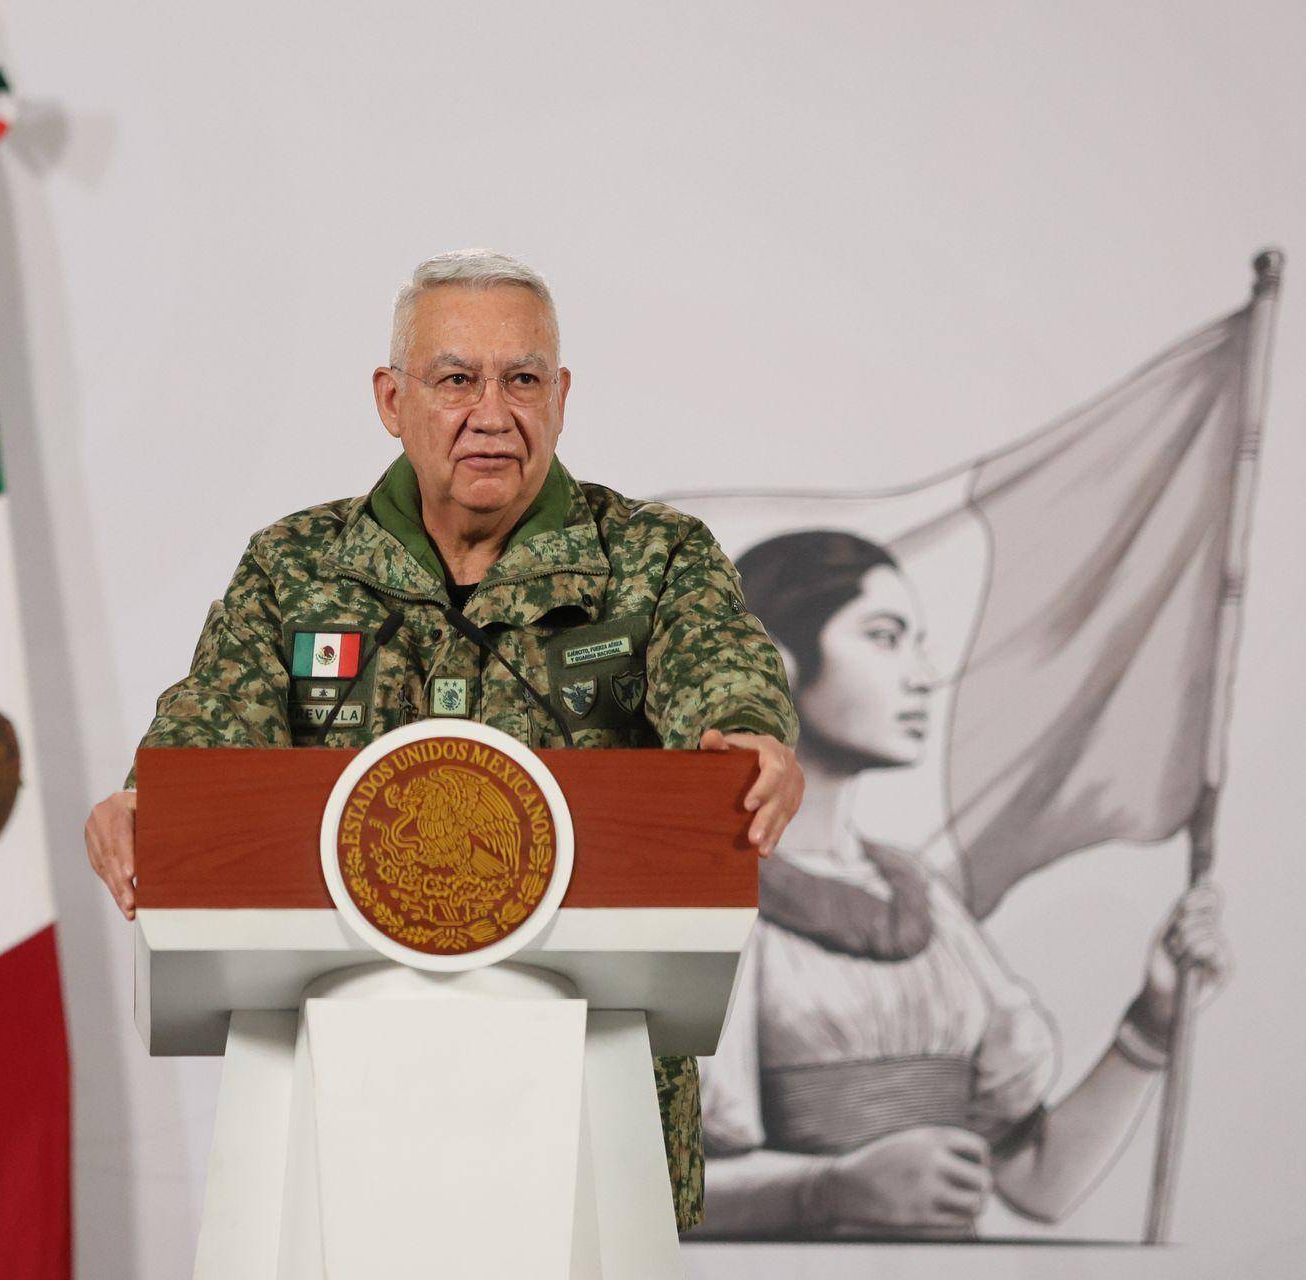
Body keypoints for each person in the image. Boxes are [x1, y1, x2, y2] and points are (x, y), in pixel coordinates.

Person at [82, 248, 805, 1231]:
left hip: (587, 1113)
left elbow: (717, 667)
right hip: (335, 1107)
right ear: (391, 397)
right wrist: (149, 804)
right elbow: (212, 724)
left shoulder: (650, 556)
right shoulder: (296, 566)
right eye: (454, 378)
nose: (491, 411)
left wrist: (746, 737)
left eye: (521, 379)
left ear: (560, 395)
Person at [698, 529, 1231, 1239]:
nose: (922, 675)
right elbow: (639, 1184)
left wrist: (1154, 1021)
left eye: (918, 643)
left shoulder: (918, 896)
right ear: (775, 667)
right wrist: (826, 1189)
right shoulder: (707, 893)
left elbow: (1037, 1185)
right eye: (885, 638)